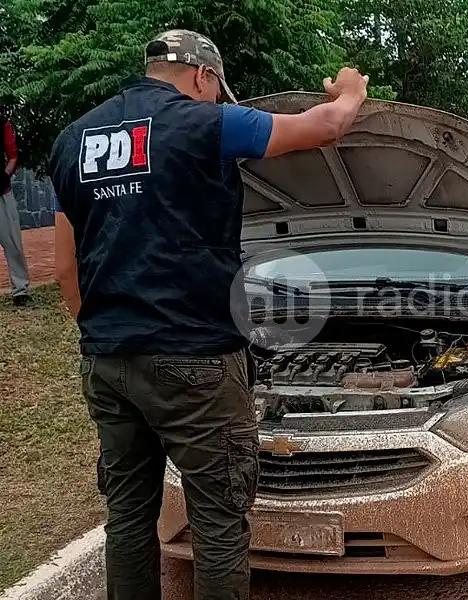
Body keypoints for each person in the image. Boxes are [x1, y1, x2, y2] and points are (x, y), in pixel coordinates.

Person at [50, 29, 369, 600]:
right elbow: (325, 127)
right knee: (219, 522)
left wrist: (102, 334)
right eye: (216, 88)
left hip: (106, 361)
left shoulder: (74, 140)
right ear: (204, 76)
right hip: (193, 357)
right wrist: (349, 91)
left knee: (127, 516)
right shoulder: (206, 123)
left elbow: (63, 267)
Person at [0, 107, 32, 306]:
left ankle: (21, 290)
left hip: (2, 194)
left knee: (13, 244)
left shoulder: (2, 122)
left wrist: (4, 176)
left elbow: (12, 154)